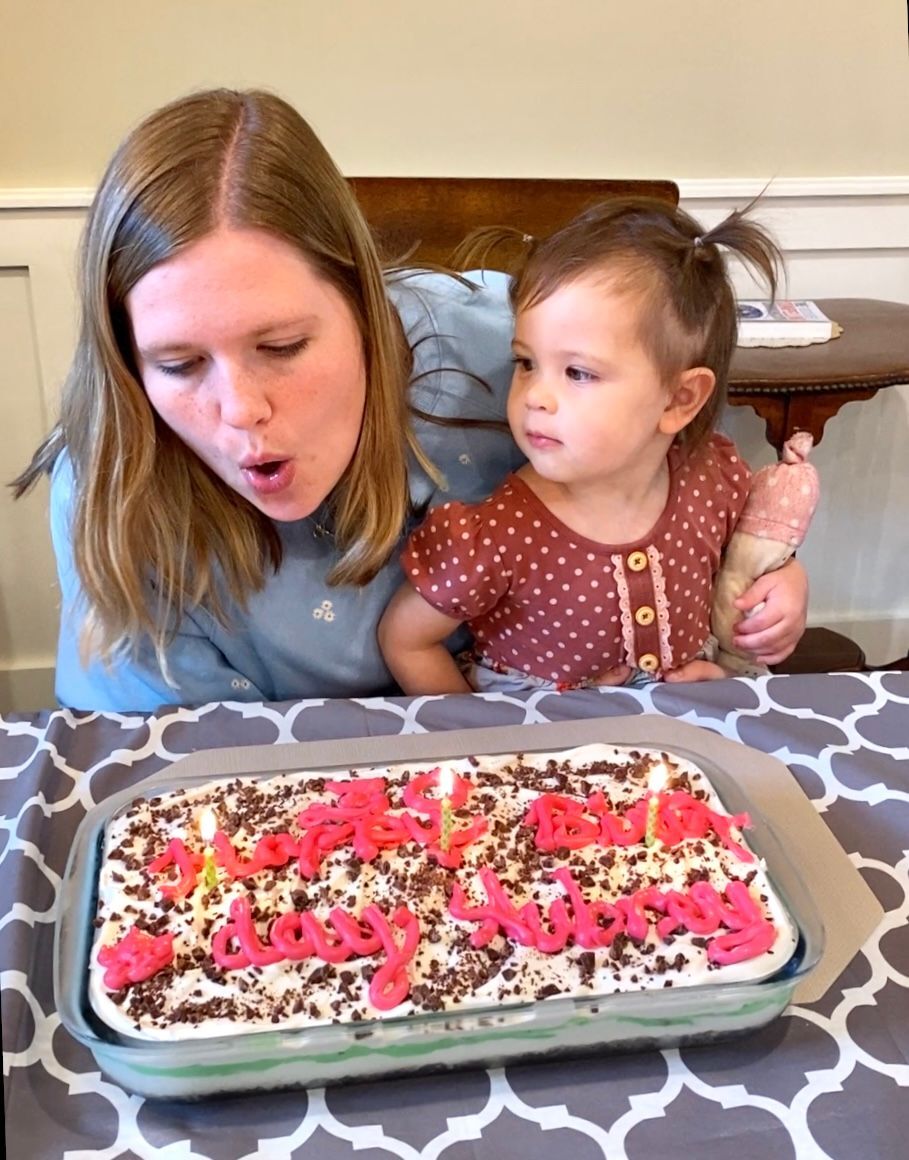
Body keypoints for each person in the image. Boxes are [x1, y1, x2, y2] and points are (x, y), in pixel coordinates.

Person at [12, 89, 806, 712]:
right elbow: (169, 770)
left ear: (366, 306)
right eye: (180, 364)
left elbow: (674, 494)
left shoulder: (512, 361)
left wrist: (761, 591)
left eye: (282, 346)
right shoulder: (113, 484)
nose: (241, 409)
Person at [378, 198, 806, 694]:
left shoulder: (711, 477)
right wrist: (482, 731)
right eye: (526, 363)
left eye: (578, 372)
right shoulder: (500, 533)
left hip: (686, 725)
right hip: (542, 738)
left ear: (680, 399)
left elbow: (756, 557)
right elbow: (405, 640)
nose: (535, 396)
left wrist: (789, 585)